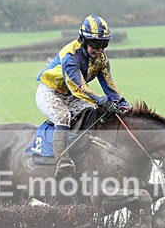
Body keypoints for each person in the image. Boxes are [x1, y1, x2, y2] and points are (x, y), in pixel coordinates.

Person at [36, 15, 130, 176]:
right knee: (63, 116)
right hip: (51, 92)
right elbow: (79, 88)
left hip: (72, 96)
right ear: (83, 41)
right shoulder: (70, 56)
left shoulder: (101, 59)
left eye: (104, 44)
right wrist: (102, 101)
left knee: (96, 113)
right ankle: (62, 160)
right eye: (96, 44)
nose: (99, 50)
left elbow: (109, 86)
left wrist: (122, 104)